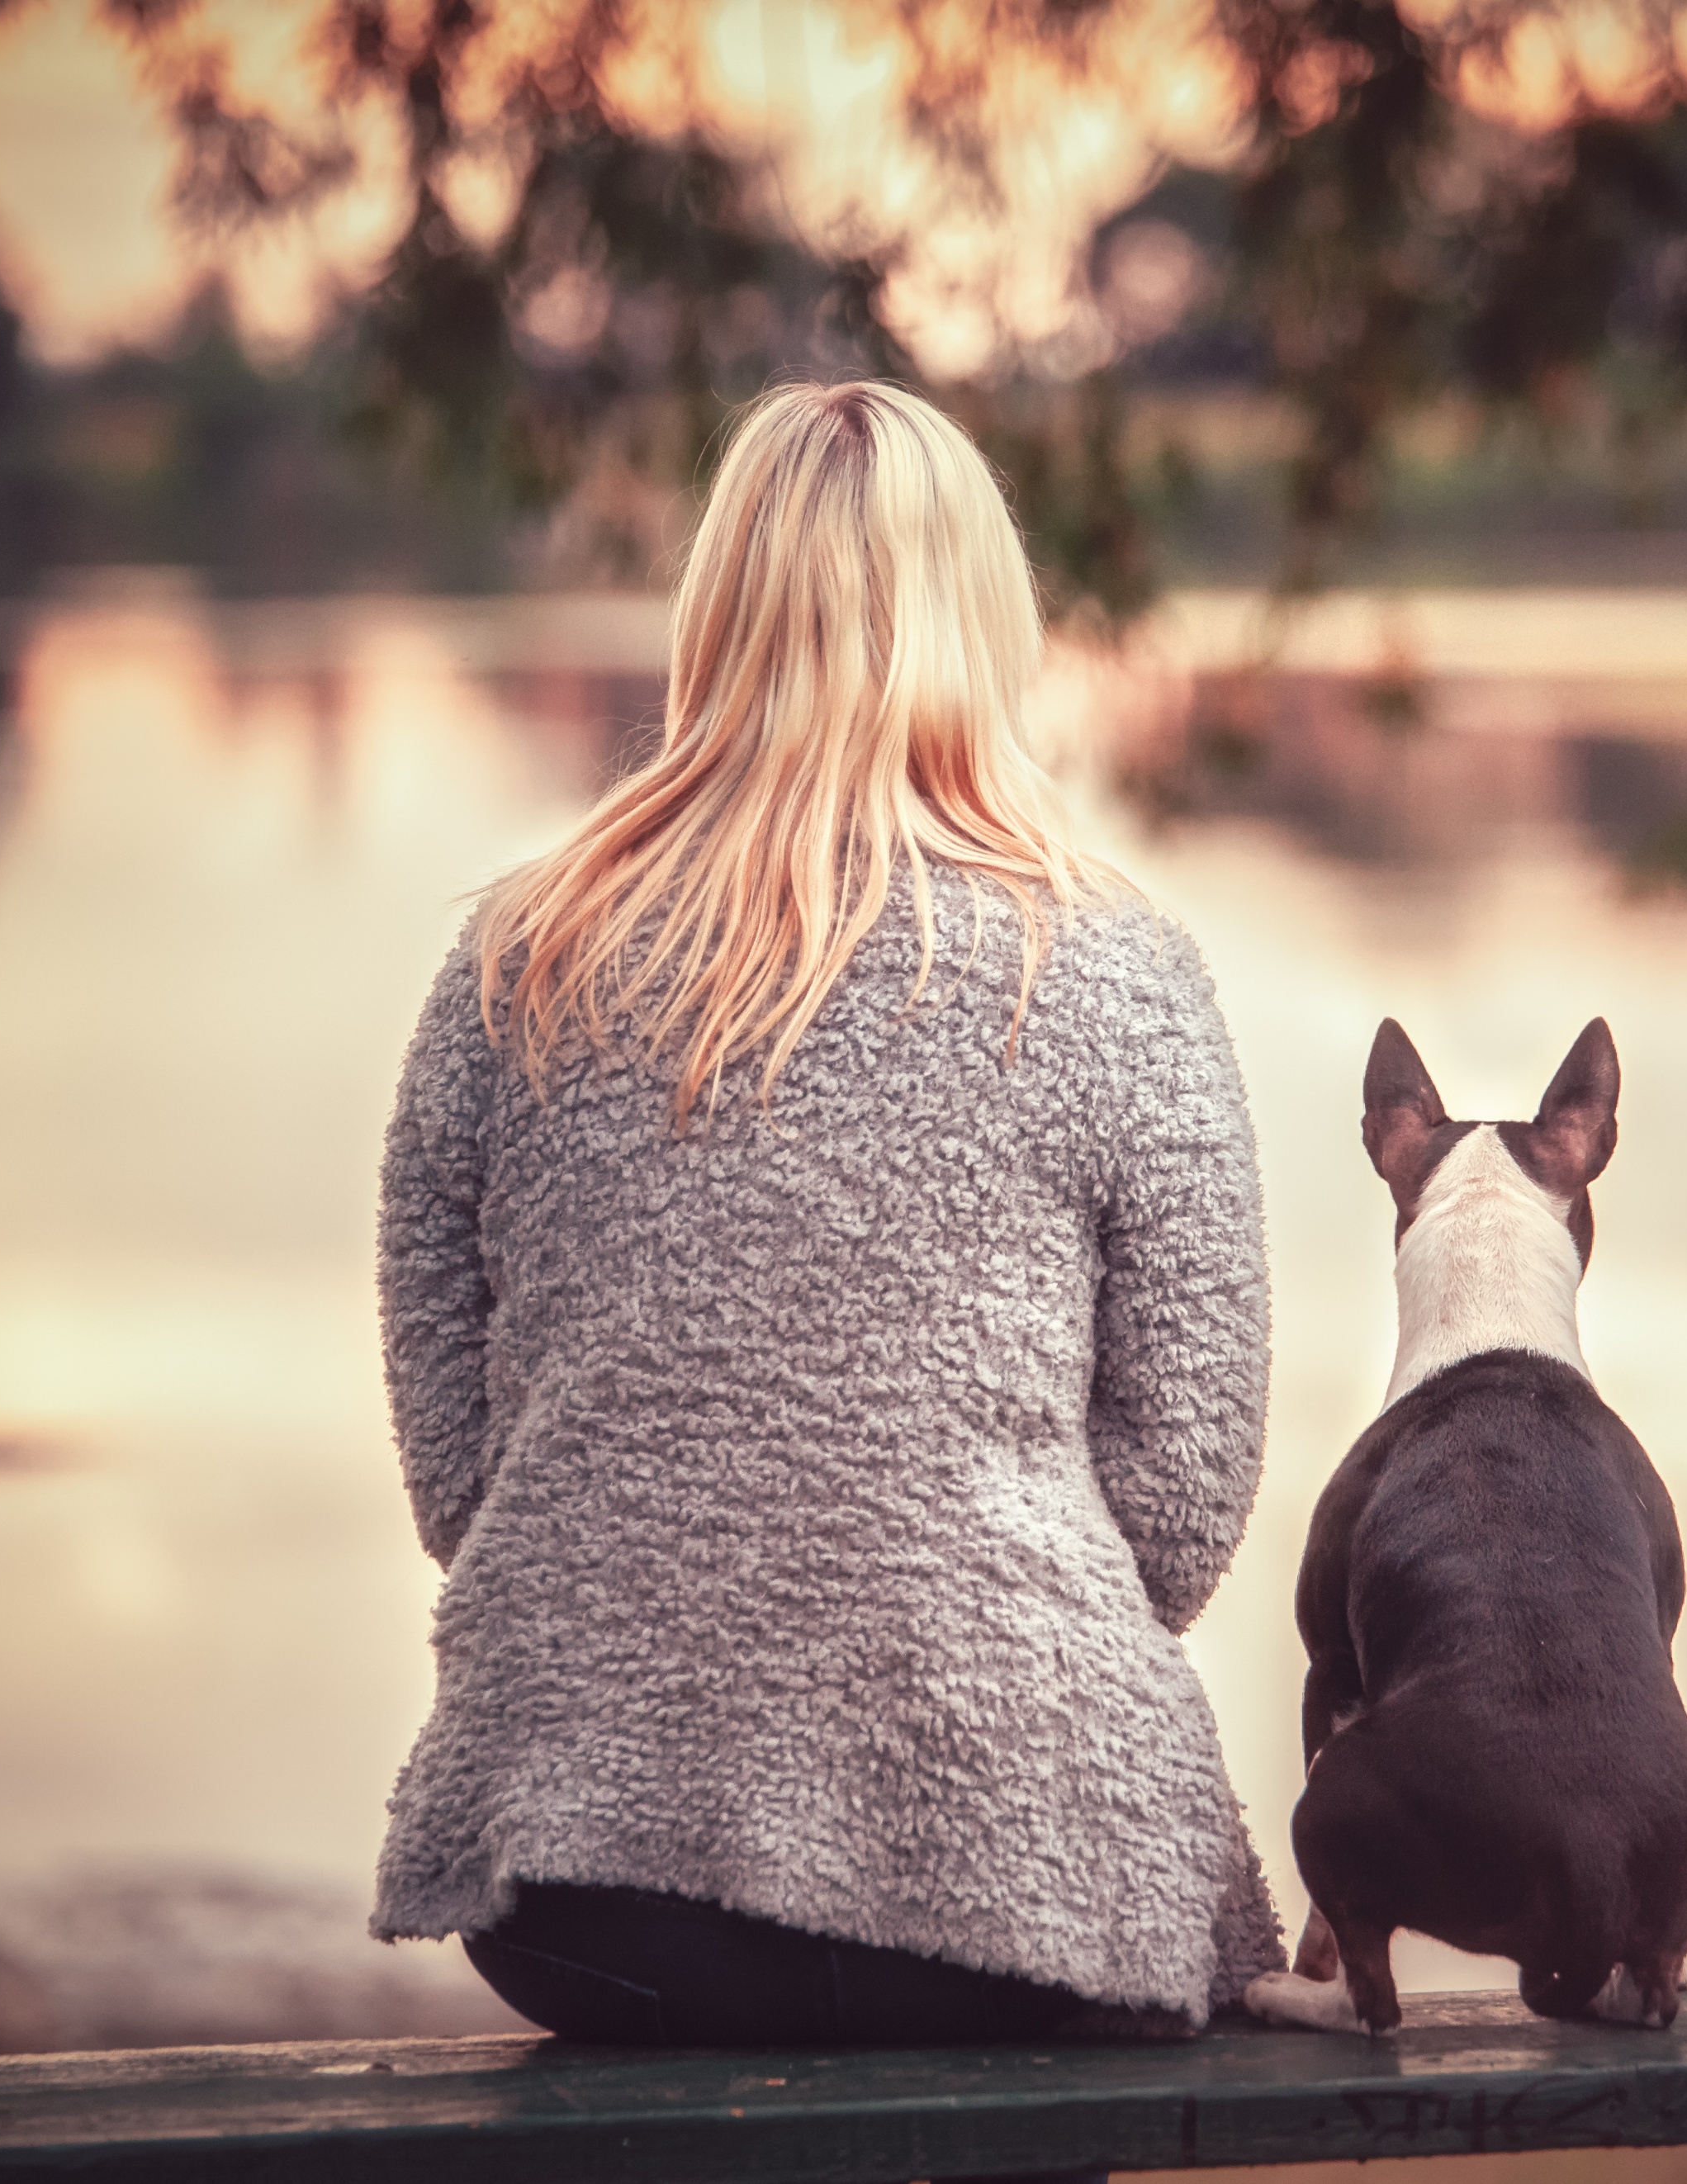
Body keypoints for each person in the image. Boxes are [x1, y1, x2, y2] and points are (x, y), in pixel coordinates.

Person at [368, 381, 1285, 2076]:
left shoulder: (513, 964)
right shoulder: (1118, 974)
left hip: (594, 1906)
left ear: (715, 618)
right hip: (1035, 1893)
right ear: (987, 617)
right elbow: (1177, 1500)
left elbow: (458, 1483)